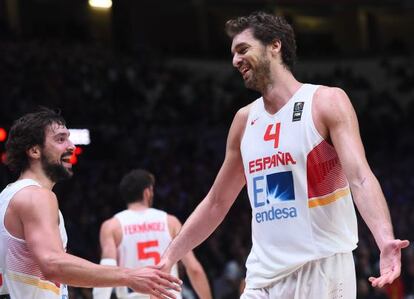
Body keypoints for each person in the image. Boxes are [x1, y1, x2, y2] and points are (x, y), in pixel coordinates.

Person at [158, 11, 410, 298]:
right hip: (261, 275)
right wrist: (169, 257)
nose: (235, 60)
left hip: (322, 269)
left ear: (274, 46)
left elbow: (361, 177)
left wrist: (384, 239)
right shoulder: (244, 120)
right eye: (233, 53)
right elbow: (216, 202)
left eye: (243, 49)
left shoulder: (325, 101)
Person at [0, 108, 181, 299]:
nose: (71, 146)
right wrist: (129, 276)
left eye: (69, 138)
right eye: (60, 139)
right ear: (34, 150)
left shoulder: (8, 195)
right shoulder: (37, 196)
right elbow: (52, 264)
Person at [92, 169, 212, 299]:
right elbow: (194, 269)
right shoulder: (170, 222)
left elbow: (106, 268)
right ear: (147, 192)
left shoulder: (112, 226)